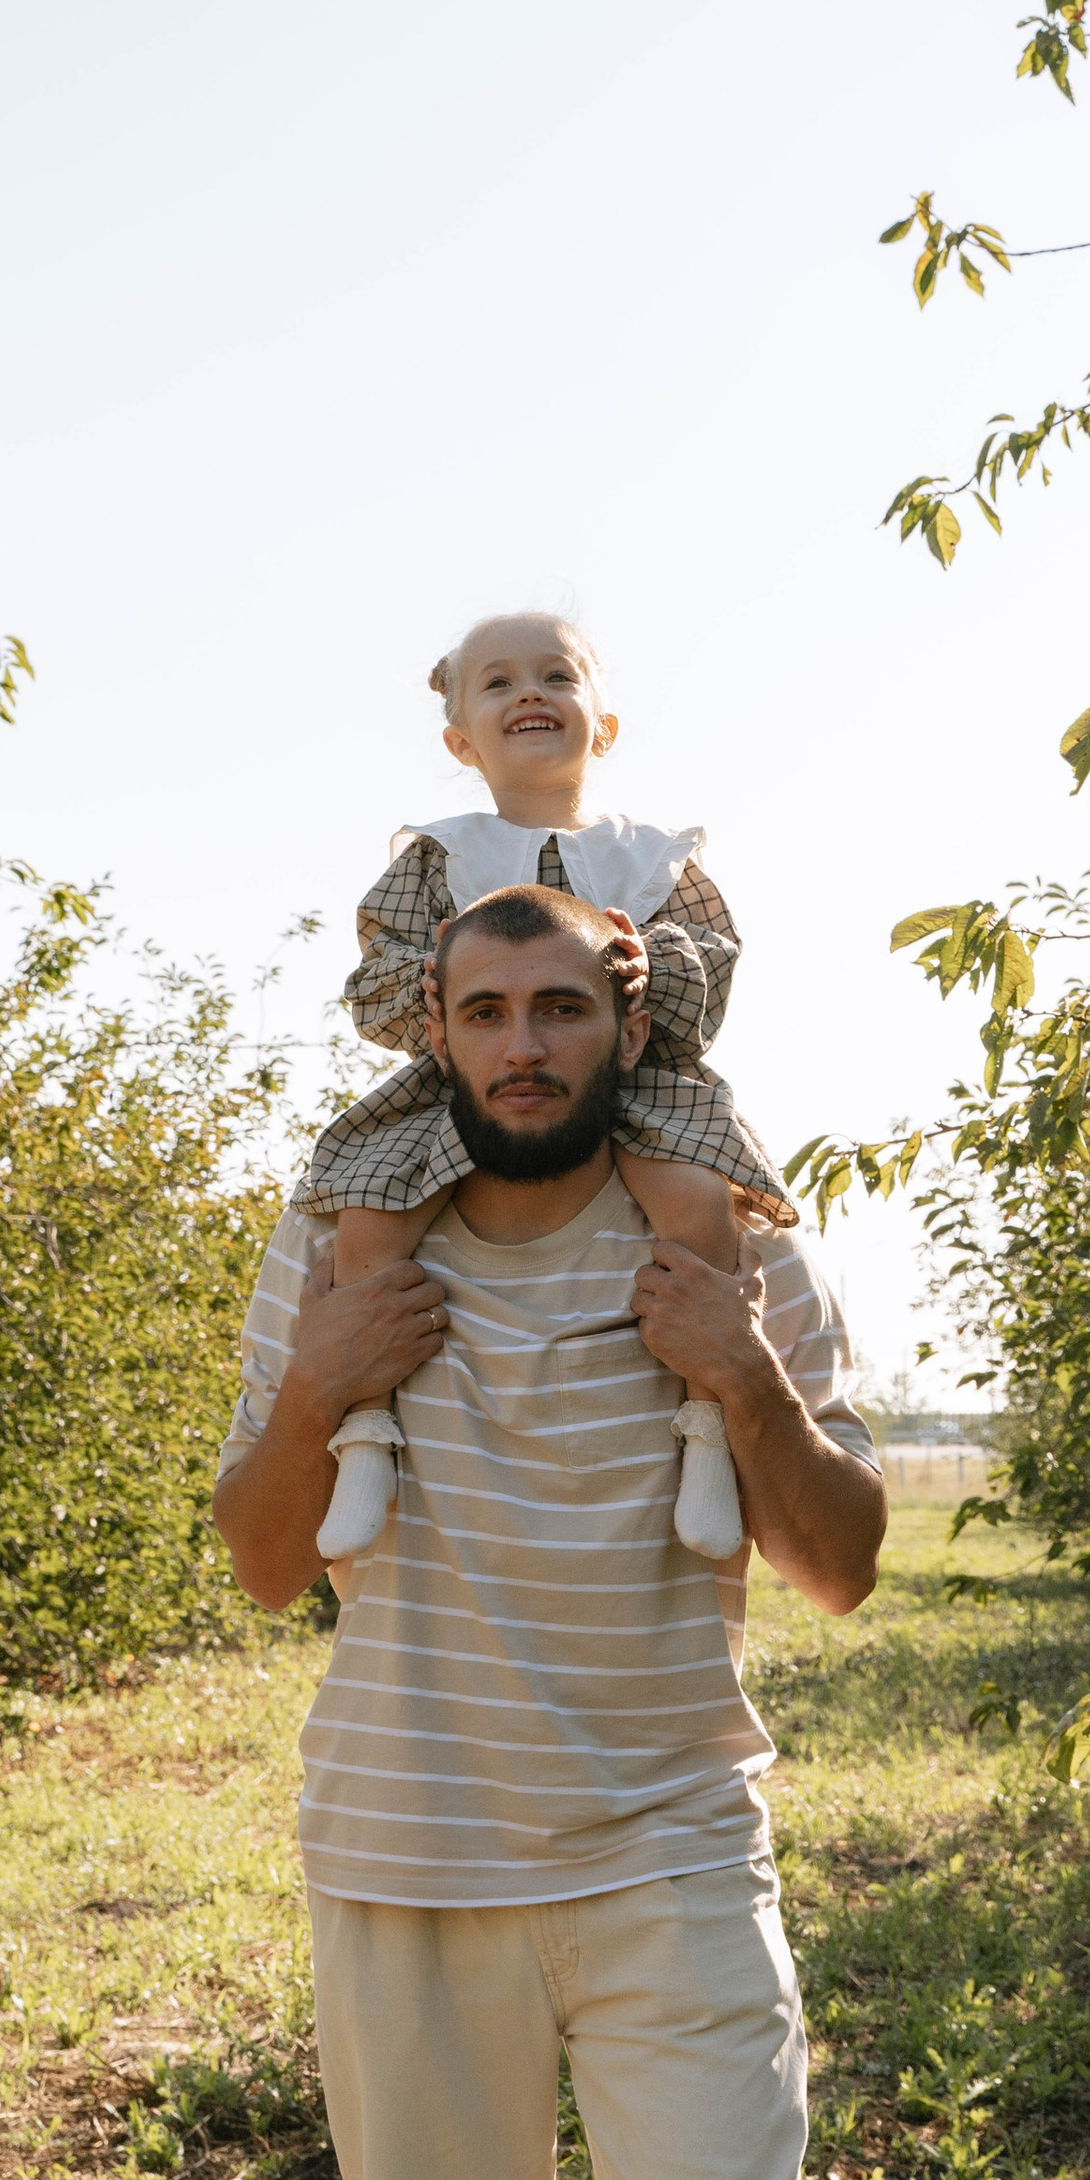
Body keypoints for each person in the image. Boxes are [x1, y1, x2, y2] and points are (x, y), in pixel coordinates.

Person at [213, 877, 892, 2180]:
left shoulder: (733, 1245)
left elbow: (845, 1563)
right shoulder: (339, 1251)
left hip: (676, 1849)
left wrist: (743, 1378)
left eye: (560, 1011)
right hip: (406, 1857)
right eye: (484, 1010)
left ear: (631, 1018)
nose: (522, 1047)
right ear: (430, 1023)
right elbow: (255, 1561)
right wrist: (321, 1374)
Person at [299, 611, 790, 1569]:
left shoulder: (651, 855)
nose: (530, 693)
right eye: (499, 683)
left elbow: (714, 967)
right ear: (460, 739)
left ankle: (704, 1428)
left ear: (601, 723)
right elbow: (376, 984)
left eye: (556, 676)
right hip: (466, 1088)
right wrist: (438, 981)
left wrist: (656, 970)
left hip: (634, 1079)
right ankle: (365, 1433)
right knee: (371, 1213)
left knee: (697, 1201)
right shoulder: (440, 854)